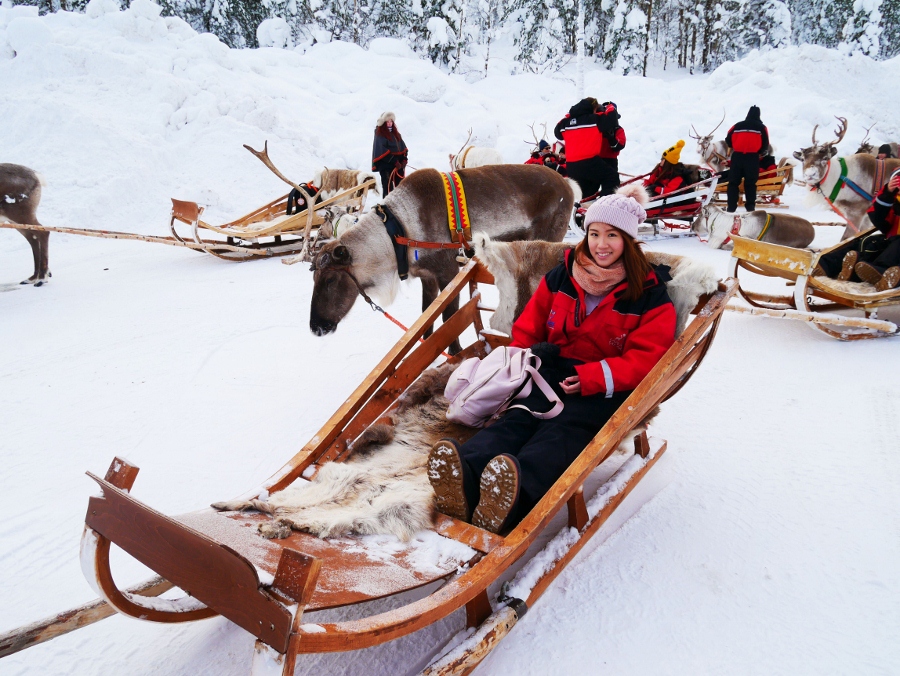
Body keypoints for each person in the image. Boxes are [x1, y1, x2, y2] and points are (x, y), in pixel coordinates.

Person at [427, 184, 677, 534]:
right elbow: (529, 325)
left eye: (612, 235)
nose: (601, 244)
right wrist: (528, 356)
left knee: (561, 432)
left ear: (628, 240)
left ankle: (512, 498)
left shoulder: (649, 295)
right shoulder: (563, 275)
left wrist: (592, 379)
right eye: (594, 233)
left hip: (602, 388)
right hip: (549, 370)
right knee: (516, 418)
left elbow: (647, 358)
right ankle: (462, 477)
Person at [816, 169, 900, 291]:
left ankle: (880, 274)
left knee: (895, 247)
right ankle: (826, 265)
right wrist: (887, 194)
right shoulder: (894, 199)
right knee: (866, 243)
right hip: (891, 242)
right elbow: (879, 221)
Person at [554, 98, 625, 199]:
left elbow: (557, 133)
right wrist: (610, 106)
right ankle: (605, 205)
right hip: (589, 161)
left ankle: (580, 205)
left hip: (572, 165)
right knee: (612, 178)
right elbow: (611, 118)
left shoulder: (566, 123)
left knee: (585, 189)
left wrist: (570, 115)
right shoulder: (594, 119)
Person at [725, 106, 769, 213]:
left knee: (733, 183)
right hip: (752, 158)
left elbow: (728, 139)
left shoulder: (737, 125)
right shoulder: (762, 127)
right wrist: (759, 152)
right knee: (750, 183)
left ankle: (731, 207)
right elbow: (765, 143)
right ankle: (750, 207)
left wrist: (734, 145)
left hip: (737, 157)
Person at [372, 112, 408, 196]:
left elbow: (403, 148)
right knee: (388, 188)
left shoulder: (396, 134)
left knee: (400, 187)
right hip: (386, 166)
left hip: (398, 166)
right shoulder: (380, 135)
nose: (389, 123)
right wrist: (394, 161)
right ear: (384, 123)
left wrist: (404, 160)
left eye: (391, 121)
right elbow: (381, 151)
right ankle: (387, 203)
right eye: (387, 122)